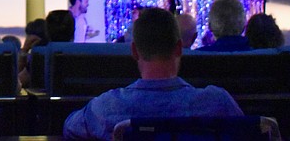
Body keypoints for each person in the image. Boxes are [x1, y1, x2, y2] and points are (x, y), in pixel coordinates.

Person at [63, 7, 243, 140]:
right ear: (179, 48)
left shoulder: (105, 108)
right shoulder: (217, 103)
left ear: (134, 51)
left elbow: (70, 129)